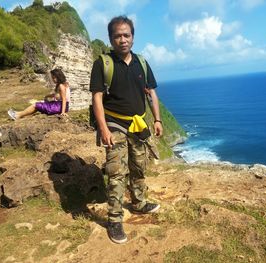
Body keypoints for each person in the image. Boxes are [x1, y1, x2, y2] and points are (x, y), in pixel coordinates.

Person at [90, 15, 163, 244]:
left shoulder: (141, 62)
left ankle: (139, 203)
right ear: (111, 39)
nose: (122, 39)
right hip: (115, 125)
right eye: (117, 36)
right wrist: (103, 129)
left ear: (133, 37)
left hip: (138, 124)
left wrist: (158, 120)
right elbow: (97, 98)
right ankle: (114, 219)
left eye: (126, 35)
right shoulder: (103, 63)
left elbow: (150, 93)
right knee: (116, 173)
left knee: (139, 166)